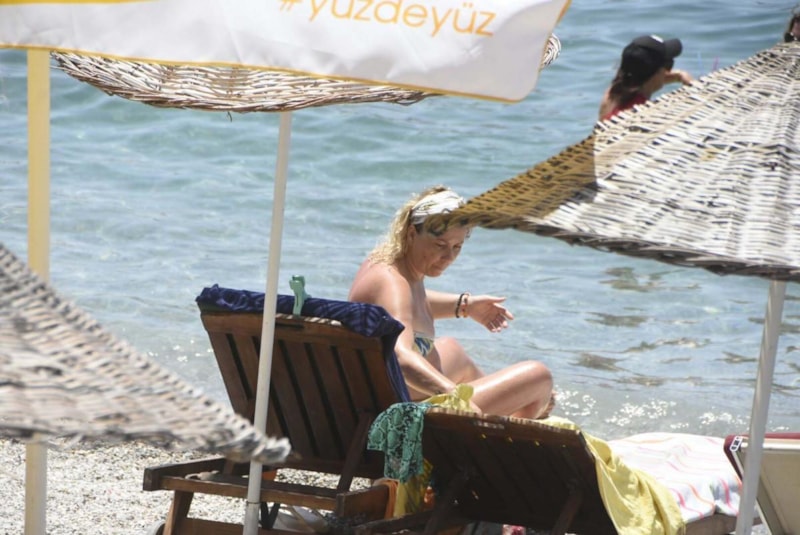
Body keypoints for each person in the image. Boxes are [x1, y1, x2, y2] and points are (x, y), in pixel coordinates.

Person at [348, 185, 554, 419]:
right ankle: (503, 429)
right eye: (440, 245)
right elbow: (400, 356)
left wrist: (465, 306)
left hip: (377, 396)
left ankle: (507, 409)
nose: (449, 257)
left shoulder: (385, 265)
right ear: (412, 233)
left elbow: (404, 305)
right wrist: (456, 397)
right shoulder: (392, 284)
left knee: (453, 350)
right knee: (539, 377)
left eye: (457, 247)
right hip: (404, 416)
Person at [599, 34, 693, 121]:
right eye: (668, 65)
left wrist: (679, 75)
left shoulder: (613, 92)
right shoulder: (641, 115)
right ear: (656, 73)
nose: (667, 72)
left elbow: (643, 78)